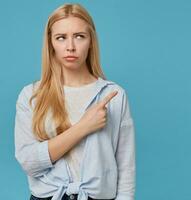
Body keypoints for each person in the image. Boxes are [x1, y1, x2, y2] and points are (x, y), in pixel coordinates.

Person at [14, 3, 136, 200]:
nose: (70, 46)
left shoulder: (114, 95)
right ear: (51, 43)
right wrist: (83, 127)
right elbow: (29, 163)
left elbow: (126, 168)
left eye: (79, 36)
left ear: (91, 41)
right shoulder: (32, 96)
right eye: (61, 38)